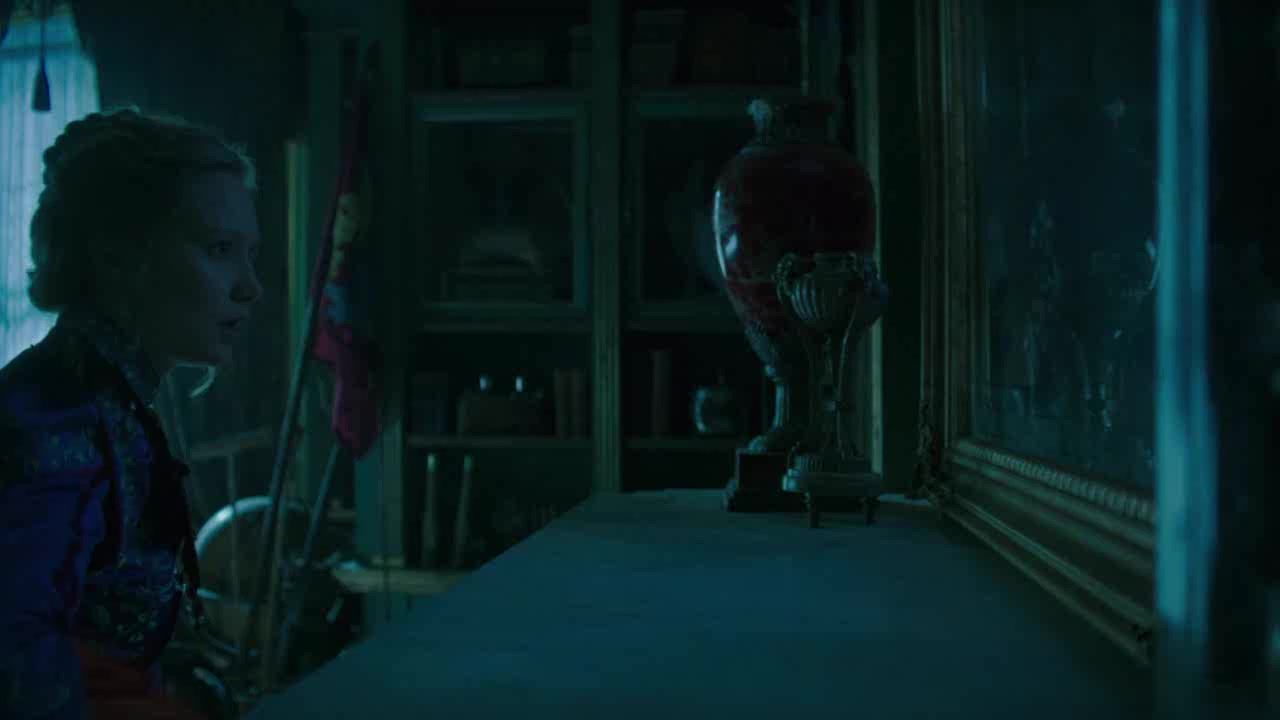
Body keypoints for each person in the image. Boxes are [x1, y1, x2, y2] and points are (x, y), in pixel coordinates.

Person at [0, 107, 263, 719]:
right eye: (219, 249)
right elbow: (19, 669)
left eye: (249, 254)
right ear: (120, 255)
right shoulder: (52, 421)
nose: (250, 286)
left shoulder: (112, 399)